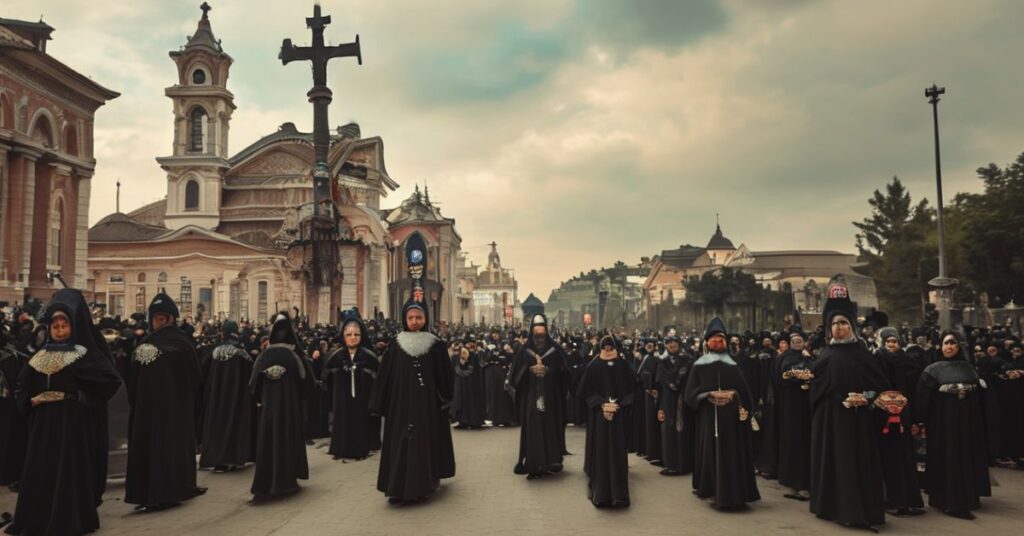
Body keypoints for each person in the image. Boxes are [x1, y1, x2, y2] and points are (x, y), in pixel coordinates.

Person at [5, 289, 121, 536]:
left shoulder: (84, 355)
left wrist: (77, 398)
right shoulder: (39, 357)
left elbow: (110, 382)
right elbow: (21, 388)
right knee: (42, 472)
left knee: (67, 472)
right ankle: (39, 519)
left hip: (71, 425)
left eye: (64, 325)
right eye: (55, 325)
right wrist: (30, 401)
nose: (59, 330)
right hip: (42, 427)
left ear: (73, 326)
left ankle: (69, 519)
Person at [809, 276, 891, 532]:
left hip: (860, 422)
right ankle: (834, 508)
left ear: (852, 326)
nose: (840, 328)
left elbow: (880, 389)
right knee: (835, 464)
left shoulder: (864, 356)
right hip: (832, 421)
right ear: (828, 329)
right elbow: (814, 390)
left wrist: (864, 397)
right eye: (835, 324)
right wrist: (835, 398)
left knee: (859, 465)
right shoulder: (824, 357)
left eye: (844, 323)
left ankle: (860, 511)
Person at [125, 292, 206, 511]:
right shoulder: (145, 344)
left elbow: (193, 379)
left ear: (170, 319)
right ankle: (146, 493)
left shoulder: (181, 344)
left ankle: (169, 491)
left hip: (172, 412)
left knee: (168, 449)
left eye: (162, 318)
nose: (158, 322)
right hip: (147, 411)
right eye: (155, 318)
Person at [369, 301, 455, 503]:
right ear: (404, 319)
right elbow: (385, 376)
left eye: (419, 318)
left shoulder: (435, 345)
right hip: (399, 406)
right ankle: (397, 487)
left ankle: (423, 485)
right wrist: (378, 404)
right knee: (400, 442)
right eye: (411, 318)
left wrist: (445, 400)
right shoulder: (395, 344)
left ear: (425, 319)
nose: (415, 322)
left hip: (427, 407)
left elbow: (445, 376)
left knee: (424, 443)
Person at [684, 317, 760, 510]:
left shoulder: (733, 365)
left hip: (732, 421)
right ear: (707, 343)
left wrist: (743, 405)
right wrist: (708, 395)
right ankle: (713, 491)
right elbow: (690, 395)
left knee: (733, 455)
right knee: (712, 454)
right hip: (709, 420)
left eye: (721, 340)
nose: (718, 344)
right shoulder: (699, 365)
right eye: (714, 340)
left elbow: (744, 391)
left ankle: (736, 494)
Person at [915, 330, 991, 519]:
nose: (949, 347)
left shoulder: (969, 368)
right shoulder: (932, 370)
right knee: (947, 457)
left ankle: (968, 496)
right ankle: (947, 500)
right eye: (945, 343)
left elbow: (980, 398)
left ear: (959, 346)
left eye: (953, 343)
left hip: (968, 423)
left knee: (966, 456)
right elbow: (923, 399)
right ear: (940, 346)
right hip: (943, 425)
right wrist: (920, 421)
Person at [249, 313, 316, 502]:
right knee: (287, 440)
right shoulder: (294, 355)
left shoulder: (264, 356)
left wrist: (262, 398)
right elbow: (307, 382)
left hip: (268, 410)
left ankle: (266, 482)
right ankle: (286, 481)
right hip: (290, 410)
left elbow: (253, 383)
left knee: (268, 443)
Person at [509, 314, 570, 479]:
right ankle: (534, 464)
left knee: (550, 426)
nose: (540, 338)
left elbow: (566, 372)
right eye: (537, 335)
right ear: (532, 333)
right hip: (531, 396)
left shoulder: (555, 350)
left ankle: (552, 461)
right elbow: (515, 375)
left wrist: (548, 371)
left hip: (551, 397)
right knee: (533, 427)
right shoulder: (524, 351)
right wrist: (530, 370)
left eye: (542, 335)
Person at [874, 327, 925, 516]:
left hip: (904, 411)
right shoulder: (877, 359)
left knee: (905, 455)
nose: (892, 345)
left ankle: (908, 500)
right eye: (888, 342)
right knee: (889, 454)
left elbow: (914, 385)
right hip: (884, 412)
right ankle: (891, 500)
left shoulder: (907, 361)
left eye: (894, 342)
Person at [578, 335, 634, 507]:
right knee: (601, 451)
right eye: (605, 348)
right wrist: (601, 405)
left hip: (618, 416)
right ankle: (601, 494)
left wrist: (619, 405)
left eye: (611, 348)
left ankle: (619, 495)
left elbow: (633, 387)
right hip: (599, 416)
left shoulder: (624, 365)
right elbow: (585, 390)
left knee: (617, 453)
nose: (608, 351)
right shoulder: (594, 366)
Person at [198, 319, 256, 472]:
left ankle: (217, 459)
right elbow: (251, 376)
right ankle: (233, 458)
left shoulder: (214, 352)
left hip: (216, 398)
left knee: (217, 425)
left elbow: (203, 372)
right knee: (234, 424)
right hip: (236, 398)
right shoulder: (242, 354)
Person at [323, 310, 380, 460]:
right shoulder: (336, 356)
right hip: (342, 398)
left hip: (362, 397)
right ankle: (342, 448)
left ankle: (362, 447)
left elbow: (376, 377)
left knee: (361, 420)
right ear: (343, 336)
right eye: (349, 335)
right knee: (343, 419)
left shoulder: (369, 356)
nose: (353, 338)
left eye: (356, 334)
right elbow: (327, 377)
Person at [775, 330, 813, 501]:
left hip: (806, 406)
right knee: (791, 442)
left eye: (800, 341)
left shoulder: (809, 358)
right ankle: (791, 484)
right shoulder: (783, 358)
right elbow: (778, 378)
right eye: (794, 341)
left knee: (805, 442)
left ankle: (805, 485)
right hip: (789, 405)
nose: (797, 343)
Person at [656, 335, 695, 476]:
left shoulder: (687, 360)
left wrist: (676, 381)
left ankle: (684, 464)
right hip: (667, 401)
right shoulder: (662, 363)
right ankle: (671, 464)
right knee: (668, 432)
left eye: (674, 342)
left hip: (682, 400)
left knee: (683, 432)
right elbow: (662, 382)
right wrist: (660, 406)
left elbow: (687, 377)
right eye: (669, 343)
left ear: (679, 344)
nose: (672, 344)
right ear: (666, 346)